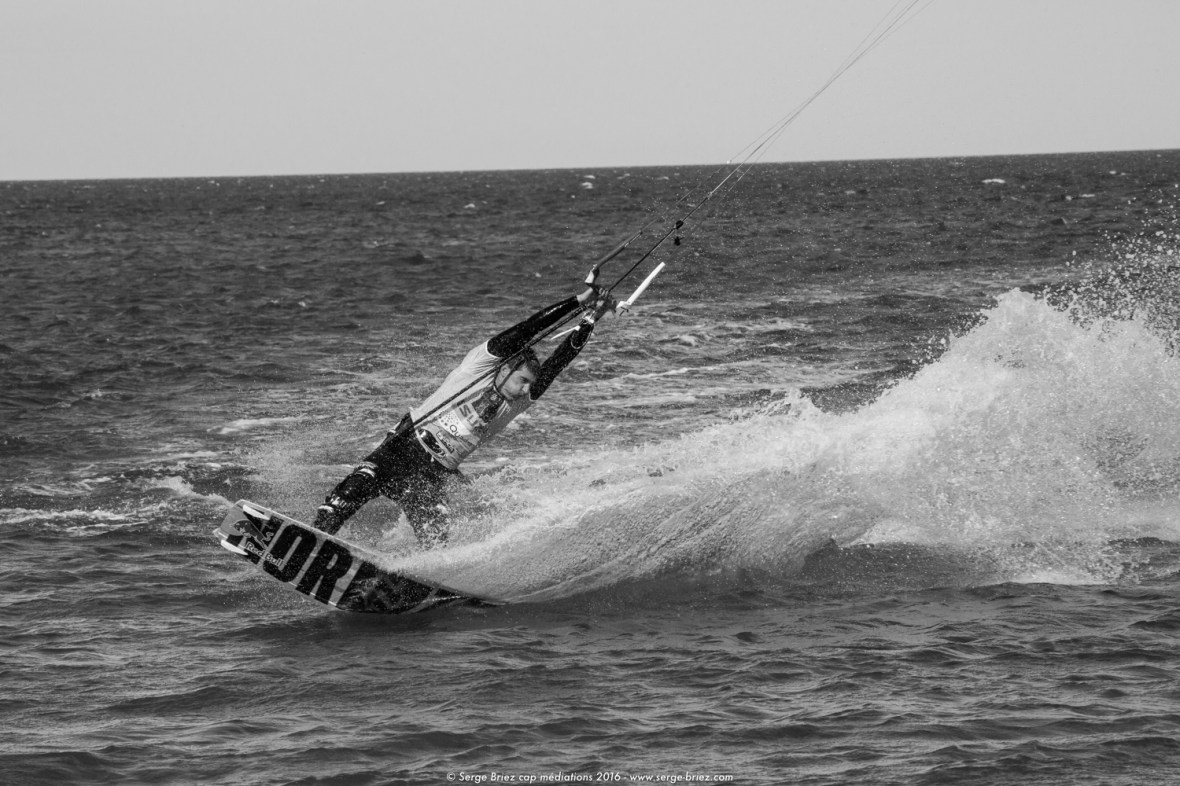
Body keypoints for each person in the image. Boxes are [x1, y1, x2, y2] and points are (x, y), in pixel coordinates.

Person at [311, 276, 621, 547]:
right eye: (523, 380)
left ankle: (417, 586)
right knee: (354, 488)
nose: (528, 390)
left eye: (530, 385)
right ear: (506, 368)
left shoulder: (518, 402)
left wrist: (591, 320)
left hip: (432, 473)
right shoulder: (478, 366)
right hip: (404, 446)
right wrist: (580, 301)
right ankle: (316, 538)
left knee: (436, 535)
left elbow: (558, 362)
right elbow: (527, 329)